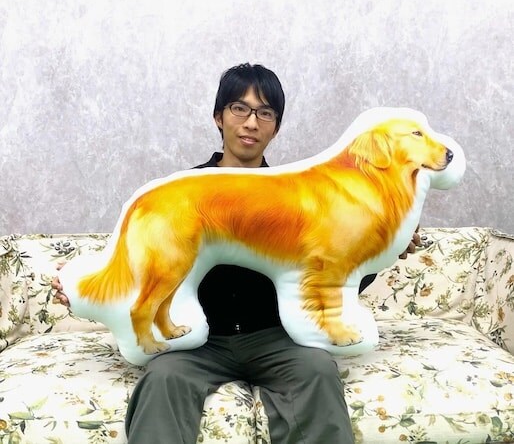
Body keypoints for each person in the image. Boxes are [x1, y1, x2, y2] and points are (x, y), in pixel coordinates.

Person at [53, 63, 421, 443]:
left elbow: (333, 272)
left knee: (318, 371)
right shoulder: (183, 192)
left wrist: (387, 253)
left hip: (277, 339)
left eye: (265, 113)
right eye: (240, 108)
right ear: (219, 117)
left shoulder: (300, 194)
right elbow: (143, 264)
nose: (251, 122)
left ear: (276, 127)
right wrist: (78, 283)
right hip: (201, 343)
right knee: (163, 378)